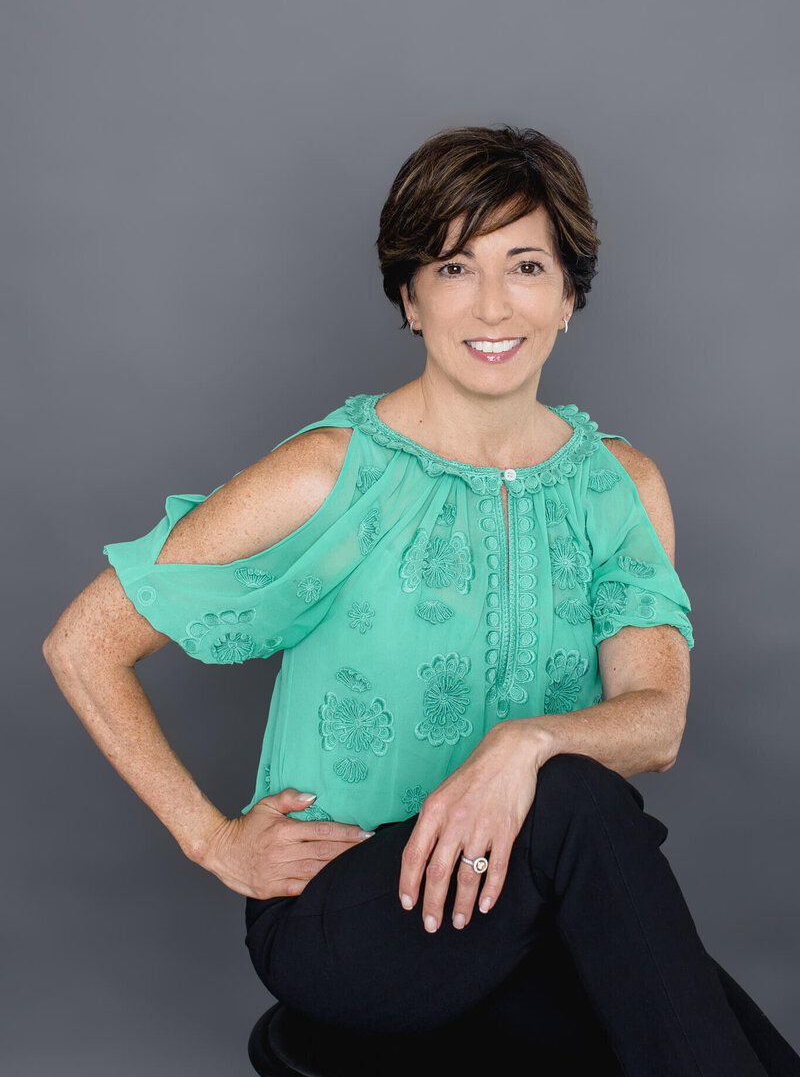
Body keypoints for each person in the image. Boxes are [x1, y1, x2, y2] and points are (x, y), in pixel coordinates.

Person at [43, 125, 800, 1075]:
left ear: (570, 296)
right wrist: (211, 840)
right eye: (453, 267)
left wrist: (521, 742)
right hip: (352, 917)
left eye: (527, 266)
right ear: (409, 297)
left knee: (729, 1038)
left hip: (522, 905)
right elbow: (83, 642)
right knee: (577, 799)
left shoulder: (620, 487)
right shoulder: (329, 475)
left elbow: (657, 721)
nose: (493, 303)